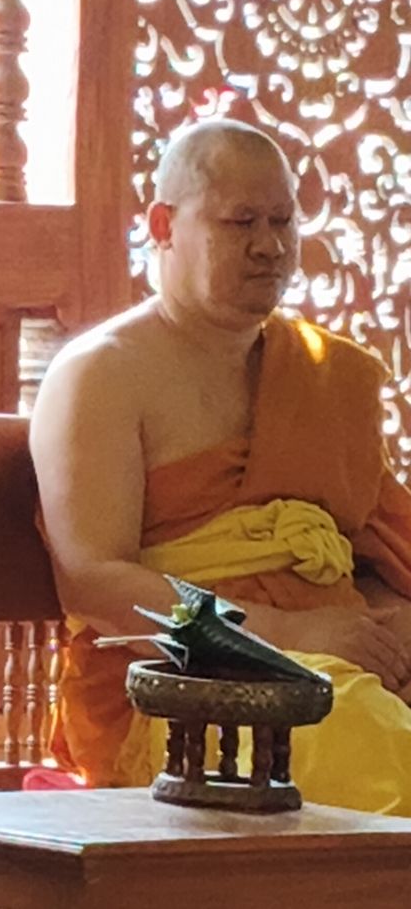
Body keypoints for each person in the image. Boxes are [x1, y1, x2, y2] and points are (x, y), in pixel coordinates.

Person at [33, 118, 411, 807]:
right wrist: (288, 634)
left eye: (283, 221)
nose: (270, 246)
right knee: (355, 733)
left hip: (340, 668)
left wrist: (390, 630)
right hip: (180, 693)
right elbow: (95, 582)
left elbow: (368, 556)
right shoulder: (103, 375)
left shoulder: (327, 374)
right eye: (241, 222)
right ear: (163, 225)